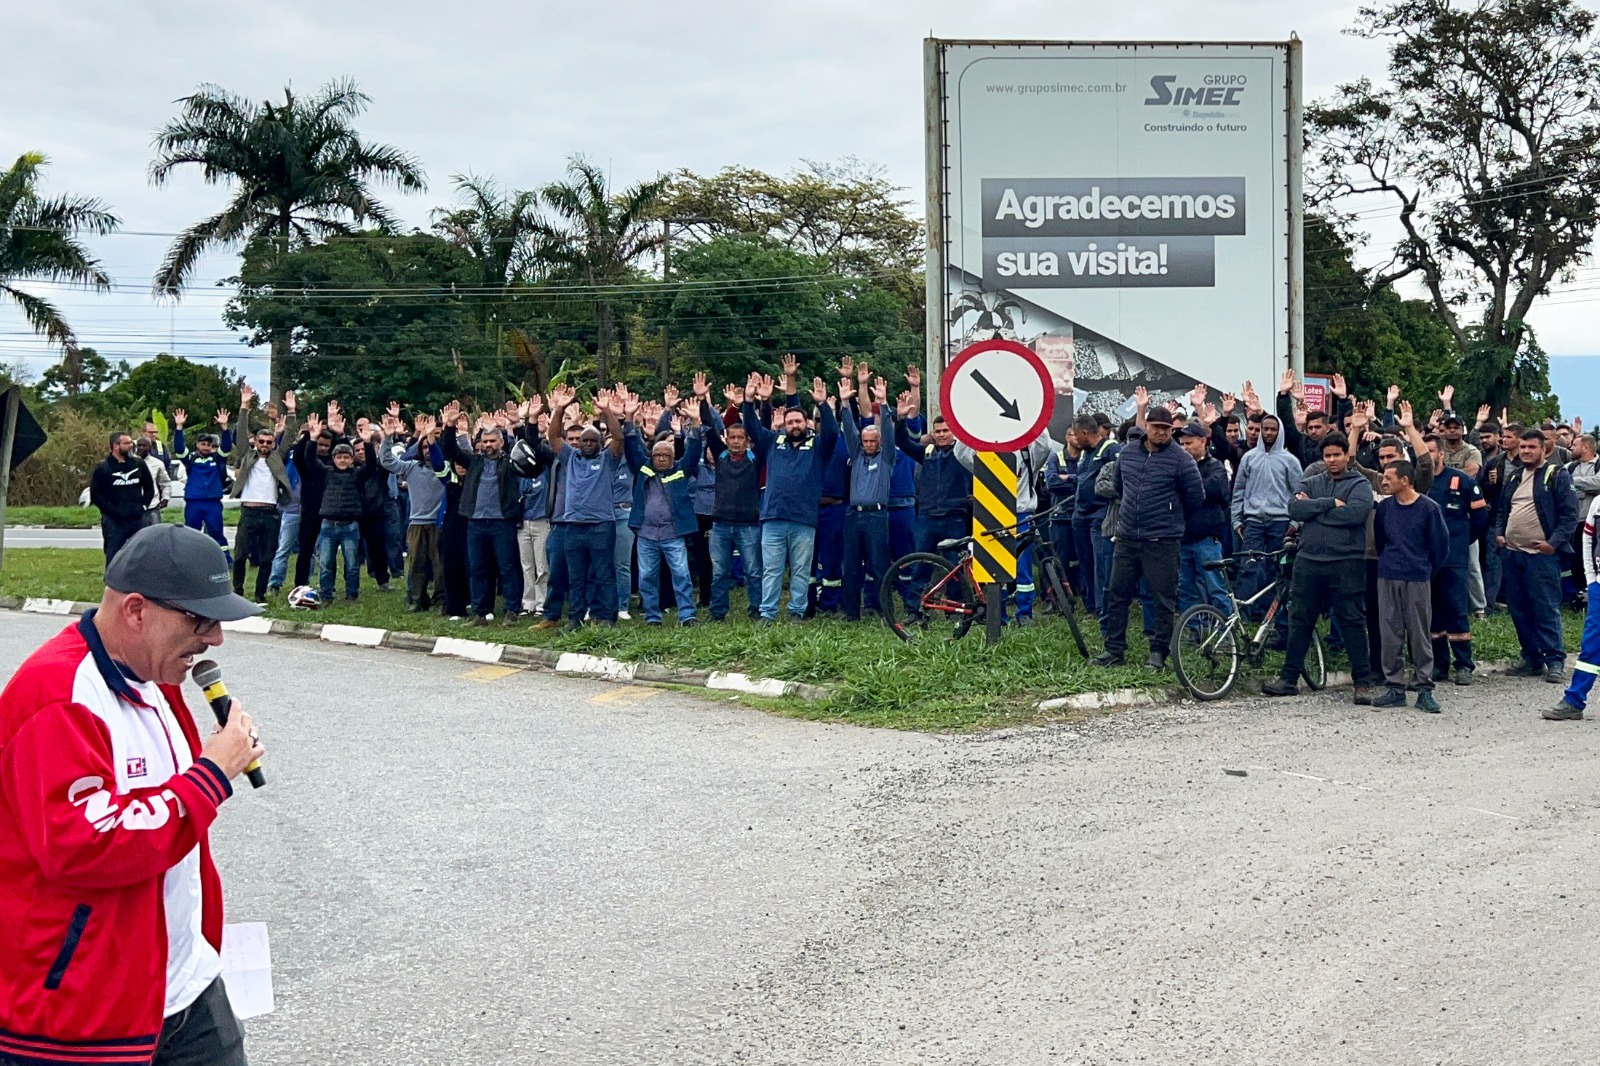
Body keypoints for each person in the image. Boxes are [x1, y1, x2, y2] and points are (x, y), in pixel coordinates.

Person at [0, 524, 265, 1066]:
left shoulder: (157, 680)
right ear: (137, 611)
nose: (214, 639)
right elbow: (87, 844)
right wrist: (211, 775)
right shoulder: (60, 695)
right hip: (82, 1012)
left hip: (186, 987)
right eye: (201, 619)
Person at [1262, 433, 1376, 702]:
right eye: (1327, 456)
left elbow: (1355, 514)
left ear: (1346, 455)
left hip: (1346, 563)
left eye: (1337, 455)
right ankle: (1289, 679)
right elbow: (1294, 509)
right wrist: (1328, 504)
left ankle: (1362, 682)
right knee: (1300, 621)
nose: (1332, 460)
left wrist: (1314, 510)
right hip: (1308, 562)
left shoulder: (1359, 484)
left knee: (1352, 622)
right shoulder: (1312, 481)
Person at [1090, 406, 1203, 668]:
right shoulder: (1127, 454)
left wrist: (1171, 517)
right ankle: (1114, 649)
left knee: (1163, 598)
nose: (1161, 433)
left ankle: (1159, 651)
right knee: (1117, 594)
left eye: (1166, 429)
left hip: (1162, 540)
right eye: (1156, 428)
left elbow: (1195, 496)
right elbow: (1119, 487)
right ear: (1147, 427)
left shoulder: (1181, 459)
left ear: (1172, 430)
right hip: (1128, 535)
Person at [743, 374, 839, 624]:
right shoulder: (773, 442)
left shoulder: (818, 446)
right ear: (784, 424)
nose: (794, 425)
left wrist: (822, 405)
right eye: (790, 421)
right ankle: (768, 613)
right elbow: (752, 427)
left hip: (804, 520)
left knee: (800, 570)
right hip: (773, 517)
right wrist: (748, 400)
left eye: (798, 421)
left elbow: (832, 433)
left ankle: (796, 612)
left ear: (807, 422)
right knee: (771, 570)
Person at [1493, 428, 1580, 682]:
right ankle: (1531, 658)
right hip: (1512, 554)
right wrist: (1500, 532)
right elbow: (1502, 509)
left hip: (1541, 556)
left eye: (1532, 447)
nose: (1526, 452)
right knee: (1519, 609)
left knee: (1545, 608)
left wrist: (1552, 544)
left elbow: (1569, 516)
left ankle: (1554, 660)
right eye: (1523, 447)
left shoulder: (1557, 475)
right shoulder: (1515, 476)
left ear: (1544, 449)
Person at [545, 385, 627, 630]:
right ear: (578, 443)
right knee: (576, 576)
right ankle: (576, 618)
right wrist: (559, 409)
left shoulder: (607, 460)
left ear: (600, 443)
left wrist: (606, 412)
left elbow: (619, 438)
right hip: (573, 526)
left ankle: (607, 616)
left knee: (604, 574)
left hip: (601, 526)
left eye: (593, 440)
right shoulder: (570, 458)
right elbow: (553, 437)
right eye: (584, 441)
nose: (588, 444)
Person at [442, 405, 532, 627]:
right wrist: (450, 426)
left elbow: (526, 448)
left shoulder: (510, 462)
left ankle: (512, 610)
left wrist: (516, 425)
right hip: (476, 522)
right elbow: (450, 449)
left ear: (501, 443)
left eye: (493, 441)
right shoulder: (474, 461)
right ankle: (480, 613)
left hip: (503, 522)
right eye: (485, 441)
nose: (488, 445)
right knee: (477, 568)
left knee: (507, 567)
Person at [1372, 460, 1451, 711]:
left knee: (1419, 633)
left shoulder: (1429, 508)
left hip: (1417, 577)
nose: (1384, 482)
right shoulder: (1384, 508)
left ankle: (1423, 688)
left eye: (1388, 477)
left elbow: (1440, 546)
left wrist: (1424, 569)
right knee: (1389, 632)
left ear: (1404, 480)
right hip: (1388, 575)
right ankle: (1394, 687)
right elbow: (1381, 540)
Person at [622, 409, 704, 626]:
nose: (661, 459)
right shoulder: (643, 469)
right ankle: (652, 616)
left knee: (681, 575)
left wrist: (695, 423)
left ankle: (687, 615)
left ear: (672, 457)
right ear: (651, 456)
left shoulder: (680, 470)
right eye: (657, 455)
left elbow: (694, 451)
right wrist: (629, 420)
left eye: (666, 456)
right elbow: (631, 447)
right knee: (647, 577)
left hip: (673, 534)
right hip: (646, 533)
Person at [1423, 435, 1489, 684]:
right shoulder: (1420, 482)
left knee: (1455, 610)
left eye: (1431, 451)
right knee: (1432, 614)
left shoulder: (1460, 479)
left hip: (1454, 557)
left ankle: (1464, 665)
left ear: (1440, 453)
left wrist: (1462, 541)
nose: (1427, 455)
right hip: (1426, 559)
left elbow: (1480, 518)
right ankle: (1440, 665)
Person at [1230, 411, 1302, 641]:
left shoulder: (1290, 461)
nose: (1268, 433)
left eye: (1273, 429)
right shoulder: (1249, 458)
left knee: (1277, 570)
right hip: (1253, 522)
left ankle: (1273, 617)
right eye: (1265, 429)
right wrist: (1236, 520)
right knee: (1248, 566)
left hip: (1281, 522)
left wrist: (1295, 522)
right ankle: (1244, 617)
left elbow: (1299, 494)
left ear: (1279, 431)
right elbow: (1238, 491)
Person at [837, 374, 896, 621]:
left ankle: (886, 613)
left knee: (880, 566)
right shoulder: (858, 454)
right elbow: (849, 431)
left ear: (879, 442)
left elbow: (890, 435)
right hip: (853, 516)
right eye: (865, 440)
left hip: (876, 516)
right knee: (850, 566)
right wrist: (844, 405)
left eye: (873, 440)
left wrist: (883, 404)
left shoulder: (886, 457)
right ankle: (851, 613)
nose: (868, 444)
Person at [704, 391, 765, 622]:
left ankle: (756, 612)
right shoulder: (720, 457)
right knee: (719, 573)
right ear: (726, 439)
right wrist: (703, 401)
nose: (736, 441)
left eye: (741, 437)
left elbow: (762, 431)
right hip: (720, 525)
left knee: (753, 572)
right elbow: (709, 428)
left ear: (747, 440)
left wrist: (757, 404)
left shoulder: (754, 458)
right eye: (732, 437)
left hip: (748, 525)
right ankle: (717, 613)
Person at [379, 413, 448, 612]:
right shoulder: (411, 467)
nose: (427, 451)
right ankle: (418, 598)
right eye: (423, 447)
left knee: (439, 565)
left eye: (430, 447)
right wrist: (388, 438)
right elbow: (387, 462)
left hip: (438, 522)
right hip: (416, 522)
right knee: (417, 563)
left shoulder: (444, 468)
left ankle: (441, 599)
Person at [227, 420, 294, 605]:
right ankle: (237, 592)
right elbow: (240, 435)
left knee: (267, 557)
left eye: (269, 442)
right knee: (240, 555)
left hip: (270, 513)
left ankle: (260, 594)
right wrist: (244, 407)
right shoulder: (246, 456)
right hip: (249, 512)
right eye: (261, 441)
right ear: (255, 441)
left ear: (273, 443)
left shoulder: (276, 458)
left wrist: (291, 413)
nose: (265, 445)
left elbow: (289, 438)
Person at [1551, 487, 1600, 720]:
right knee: (1591, 644)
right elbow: (1588, 542)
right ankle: (1574, 700)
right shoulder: (1598, 503)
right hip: (1599, 586)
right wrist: (1592, 581)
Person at [1177, 422, 1233, 616]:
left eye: (1189, 443)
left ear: (1203, 441)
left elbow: (1217, 489)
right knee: (1185, 589)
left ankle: (1226, 630)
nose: (1185, 448)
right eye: (1182, 444)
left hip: (1207, 539)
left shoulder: (1215, 465)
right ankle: (1194, 628)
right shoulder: (1179, 467)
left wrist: (1189, 485)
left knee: (1216, 587)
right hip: (1183, 538)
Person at [1071, 413, 1120, 618]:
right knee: (1085, 561)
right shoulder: (1085, 453)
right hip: (1081, 513)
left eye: (1075, 435)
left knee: (1102, 562)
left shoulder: (1111, 449)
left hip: (1100, 513)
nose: (1074, 439)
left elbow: (1120, 479)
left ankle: (1103, 607)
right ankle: (1091, 603)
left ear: (1084, 433)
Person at [311, 437, 371, 603]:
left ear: (352, 459)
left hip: (349, 526)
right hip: (327, 525)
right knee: (325, 564)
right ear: (333, 459)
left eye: (346, 457)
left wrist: (367, 443)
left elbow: (371, 465)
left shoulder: (357, 475)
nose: (342, 460)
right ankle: (326, 595)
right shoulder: (327, 473)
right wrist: (312, 440)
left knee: (352, 564)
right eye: (339, 457)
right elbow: (311, 460)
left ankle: (352, 594)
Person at [172, 407, 234, 556]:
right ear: (197, 445)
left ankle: (224, 560)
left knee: (216, 532)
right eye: (203, 444)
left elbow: (226, 447)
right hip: (194, 502)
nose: (206, 447)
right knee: (191, 533)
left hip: (212, 502)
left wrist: (225, 428)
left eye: (208, 445)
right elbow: (179, 449)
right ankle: (190, 559)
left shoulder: (217, 459)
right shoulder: (191, 460)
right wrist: (179, 428)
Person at [91, 431, 155, 565]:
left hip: (137, 518)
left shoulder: (138, 464)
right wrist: (111, 511)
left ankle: (138, 581)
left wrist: (142, 507)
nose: (131, 446)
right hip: (114, 521)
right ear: (115, 446)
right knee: (113, 553)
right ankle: (113, 582)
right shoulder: (103, 467)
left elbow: (149, 488)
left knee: (140, 552)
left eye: (131, 442)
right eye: (126, 443)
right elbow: (96, 495)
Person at [134, 437, 172, 526]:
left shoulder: (157, 463)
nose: (141, 448)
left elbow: (165, 482)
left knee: (155, 536)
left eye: (144, 446)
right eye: (139, 445)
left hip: (152, 506)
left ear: (150, 447)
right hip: (134, 507)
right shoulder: (128, 462)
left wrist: (165, 498)